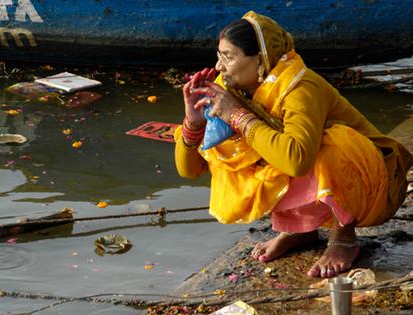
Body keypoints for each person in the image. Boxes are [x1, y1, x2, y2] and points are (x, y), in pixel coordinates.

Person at [175, 11, 413, 278]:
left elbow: (297, 160)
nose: (219, 67)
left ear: (261, 60)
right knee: (252, 156)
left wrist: (238, 117)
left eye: (228, 57)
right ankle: (299, 230)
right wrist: (193, 122)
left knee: (329, 146)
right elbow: (189, 171)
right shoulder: (232, 89)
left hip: (376, 181)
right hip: (317, 169)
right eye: (219, 56)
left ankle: (343, 237)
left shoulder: (300, 87)